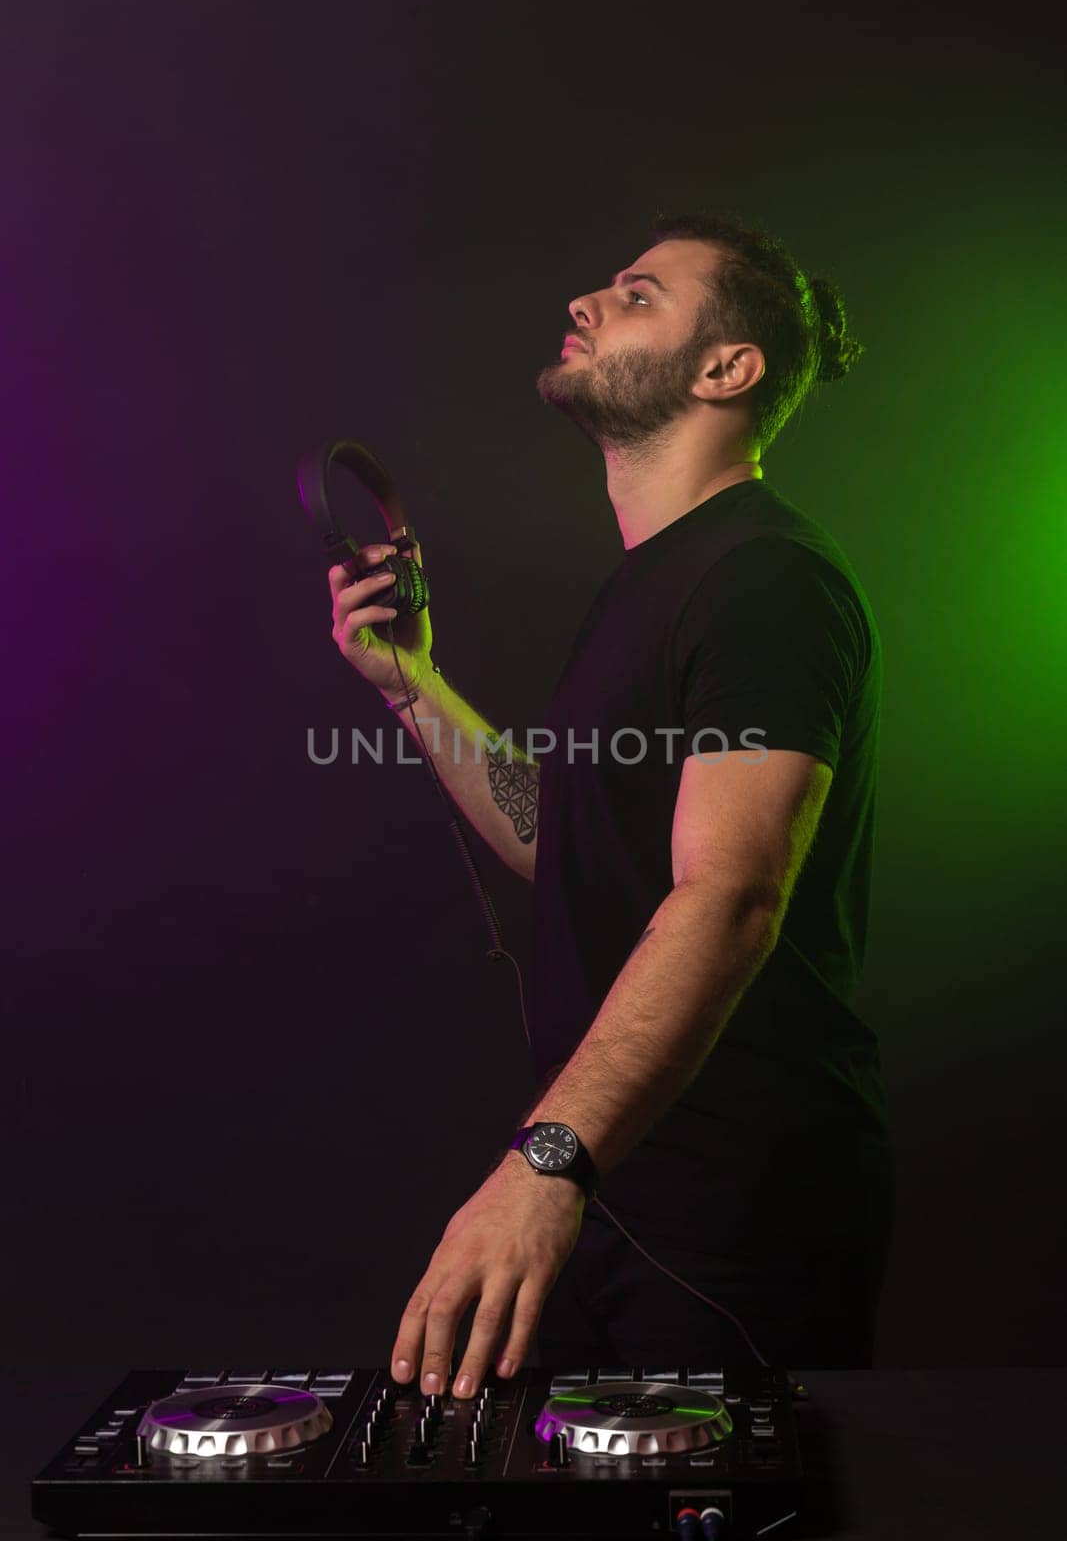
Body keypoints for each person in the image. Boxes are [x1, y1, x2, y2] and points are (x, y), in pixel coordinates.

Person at [328, 209, 893, 1400]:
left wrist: (542, 1162)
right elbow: (558, 842)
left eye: (636, 294)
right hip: (610, 1188)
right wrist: (411, 685)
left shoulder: (764, 580)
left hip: (727, 1218)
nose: (584, 303)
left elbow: (729, 896)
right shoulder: (654, 583)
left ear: (724, 369)